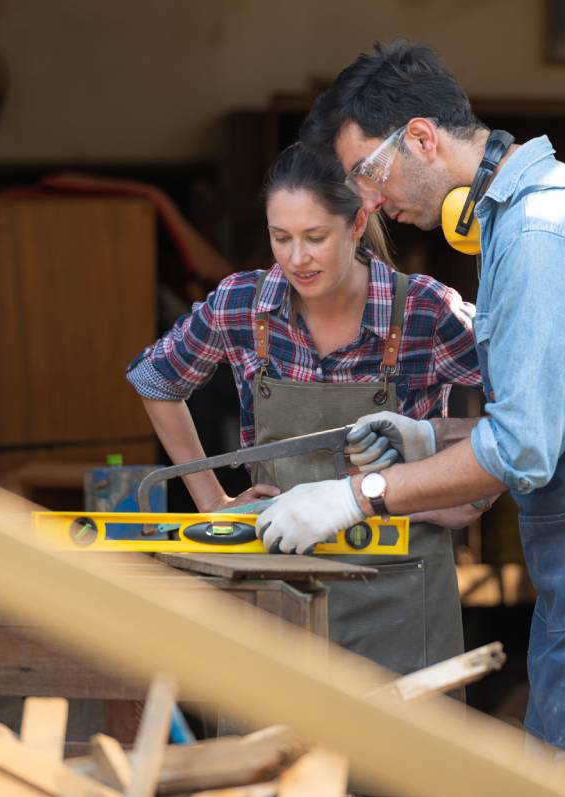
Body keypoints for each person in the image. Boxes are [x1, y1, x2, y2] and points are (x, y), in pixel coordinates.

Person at [256, 40, 565, 750]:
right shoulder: (546, 212)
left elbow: (524, 448)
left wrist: (353, 497)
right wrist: (436, 440)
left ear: (422, 138)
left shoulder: (541, 232)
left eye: (368, 172)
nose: (366, 200)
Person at [125, 143, 487, 678]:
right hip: (275, 587)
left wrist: (466, 494)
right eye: (281, 238)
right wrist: (212, 500)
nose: (297, 258)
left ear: (358, 222)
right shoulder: (243, 304)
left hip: (400, 590)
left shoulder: (424, 311)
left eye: (315, 237)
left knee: (397, 758)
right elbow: (156, 379)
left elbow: (530, 407)